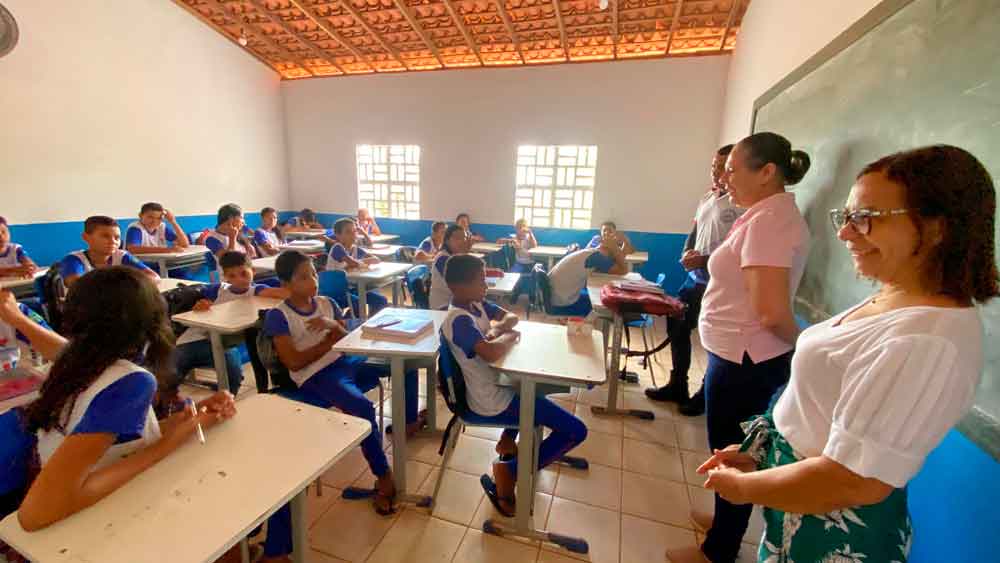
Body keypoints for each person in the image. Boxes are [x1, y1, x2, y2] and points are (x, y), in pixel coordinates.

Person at [696, 145, 997, 563]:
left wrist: (744, 488)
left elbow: (853, 481)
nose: (844, 233)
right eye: (847, 217)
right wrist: (759, 454)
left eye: (866, 219)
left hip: (833, 529)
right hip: (801, 501)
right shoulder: (897, 298)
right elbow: (821, 409)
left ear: (936, 227)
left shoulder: (927, 340)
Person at [666, 132, 810, 563]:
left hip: (747, 359)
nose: (724, 178)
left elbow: (770, 312)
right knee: (729, 450)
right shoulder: (760, 216)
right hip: (738, 354)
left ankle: (719, 549)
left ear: (767, 172)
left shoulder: (770, 222)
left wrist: (807, 349)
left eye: (732, 170)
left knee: (732, 452)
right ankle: (724, 521)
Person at [2, 268, 236, 533]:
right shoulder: (131, 382)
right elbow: (36, 514)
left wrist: (188, 418)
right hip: (90, 524)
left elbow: (116, 439)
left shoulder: (82, 357)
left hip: (65, 479)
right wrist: (179, 435)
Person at [264, 251, 423, 520]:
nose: (313, 280)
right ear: (286, 284)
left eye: (314, 273)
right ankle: (383, 475)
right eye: (303, 277)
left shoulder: (326, 303)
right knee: (362, 407)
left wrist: (333, 328)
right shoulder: (279, 316)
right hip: (317, 375)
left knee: (406, 363)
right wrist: (330, 340)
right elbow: (293, 362)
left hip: (345, 362)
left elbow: (347, 336)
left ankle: (407, 422)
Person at [440, 254, 587, 516]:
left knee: (536, 384)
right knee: (576, 431)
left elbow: (510, 316)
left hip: (500, 385)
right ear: (458, 287)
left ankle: (508, 441)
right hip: (491, 401)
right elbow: (490, 352)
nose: (486, 285)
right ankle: (509, 471)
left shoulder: (477, 305)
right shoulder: (458, 320)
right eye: (480, 281)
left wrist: (499, 330)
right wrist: (506, 338)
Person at [646, 144, 743, 416]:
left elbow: (739, 249)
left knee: (713, 340)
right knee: (677, 329)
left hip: (722, 284)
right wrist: (688, 250)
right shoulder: (708, 198)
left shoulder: (742, 206)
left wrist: (704, 260)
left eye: (724, 168)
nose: (717, 173)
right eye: (714, 167)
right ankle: (678, 384)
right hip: (694, 280)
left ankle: (704, 396)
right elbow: (695, 229)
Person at [173, 251, 288, 394]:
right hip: (194, 340)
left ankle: (225, 402)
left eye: (243, 273)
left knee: (233, 377)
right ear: (225, 277)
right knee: (170, 374)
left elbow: (284, 293)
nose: (239, 280)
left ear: (253, 271)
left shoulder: (256, 291)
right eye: (232, 276)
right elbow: (196, 306)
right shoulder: (217, 290)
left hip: (222, 345)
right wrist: (199, 306)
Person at [60, 216, 159, 289]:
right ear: (86, 237)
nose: (113, 242)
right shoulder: (74, 260)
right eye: (105, 236)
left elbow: (154, 277)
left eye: (117, 238)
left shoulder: (121, 256)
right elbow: (77, 285)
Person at [547, 232, 628, 316]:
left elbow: (619, 264)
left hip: (555, 296)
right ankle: (591, 326)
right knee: (599, 305)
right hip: (562, 302)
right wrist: (614, 247)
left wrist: (620, 245)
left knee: (594, 296)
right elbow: (624, 270)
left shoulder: (589, 252)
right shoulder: (597, 257)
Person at [325, 217, 387, 316]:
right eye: (348, 232)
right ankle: (348, 323)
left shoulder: (354, 249)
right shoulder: (337, 248)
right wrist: (361, 263)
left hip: (351, 288)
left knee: (381, 301)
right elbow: (353, 263)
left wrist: (359, 262)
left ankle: (370, 323)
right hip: (335, 290)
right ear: (338, 235)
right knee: (358, 304)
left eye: (355, 231)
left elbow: (376, 259)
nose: (353, 234)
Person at [204, 204, 258, 272]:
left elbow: (252, 255)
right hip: (230, 278)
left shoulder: (237, 233)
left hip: (246, 272)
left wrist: (247, 244)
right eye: (241, 217)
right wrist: (232, 238)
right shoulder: (211, 239)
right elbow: (228, 261)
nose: (244, 222)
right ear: (231, 218)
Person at [429, 224, 472, 309]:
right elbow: (462, 281)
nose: (462, 241)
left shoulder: (455, 256)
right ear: (447, 241)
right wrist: (464, 254)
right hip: (443, 306)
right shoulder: (442, 258)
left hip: (456, 304)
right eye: (457, 238)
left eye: (464, 237)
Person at [124, 202, 190, 255]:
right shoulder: (135, 228)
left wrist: (173, 221)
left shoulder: (161, 227)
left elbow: (184, 244)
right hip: (137, 267)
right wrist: (168, 250)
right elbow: (133, 249)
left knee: (182, 270)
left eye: (159, 218)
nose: (154, 221)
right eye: (150, 217)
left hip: (159, 263)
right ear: (140, 215)